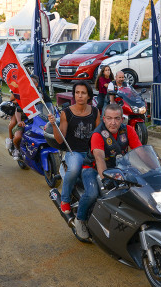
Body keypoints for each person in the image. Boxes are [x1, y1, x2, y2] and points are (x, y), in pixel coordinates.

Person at [75, 103, 143, 238]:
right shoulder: (98, 135)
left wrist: (155, 168)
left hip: (119, 169)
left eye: (117, 118)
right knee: (92, 194)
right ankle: (80, 220)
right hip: (93, 169)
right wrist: (105, 179)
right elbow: (99, 158)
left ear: (122, 119)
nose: (113, 122)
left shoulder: (128, 130)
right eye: (109, 118)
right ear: (104, 119)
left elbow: (141, 152)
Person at [47, 81, 100, 217]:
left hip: (91, 153)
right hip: (73, 152)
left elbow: (99, 134)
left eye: (83, 93)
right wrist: (54, 125)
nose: (80, 96)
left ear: (89, 96)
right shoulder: (66, 113)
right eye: (77, 93)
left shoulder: (95, 111)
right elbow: (60, 140)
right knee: (75, 168)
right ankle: (65, 199)